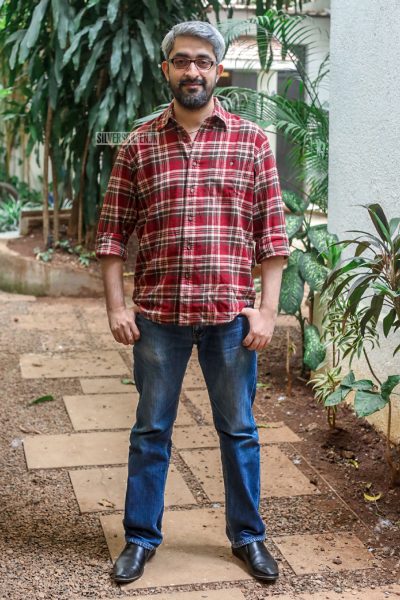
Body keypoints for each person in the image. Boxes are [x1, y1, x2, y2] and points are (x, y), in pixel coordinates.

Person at [95, 20, 290, 585]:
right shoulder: (138, 143)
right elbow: (111, 236)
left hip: (231, 320)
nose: (193, 71)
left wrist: (267, 311)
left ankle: (248, 537)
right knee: (151, 431)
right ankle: (140, 538)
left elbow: (272, 237)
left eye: (203, 61)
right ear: (167, 71)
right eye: (182, 61)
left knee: (239, 431)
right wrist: (116, 307)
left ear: (219, 69)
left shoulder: (252, 142)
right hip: (159, 319)